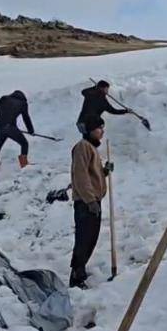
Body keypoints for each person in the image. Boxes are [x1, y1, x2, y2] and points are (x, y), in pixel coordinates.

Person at [69, 115, 113, 288]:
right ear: (89, 131)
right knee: (84, 239)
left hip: (93, 201)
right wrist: (89, 200)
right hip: (86, 203)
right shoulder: (82, 147)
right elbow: (80, 175)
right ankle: (76, 276)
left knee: (91, 238)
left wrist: (104, 171)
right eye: (99, 128)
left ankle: (81, 270)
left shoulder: (91, 148)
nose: (102, 132)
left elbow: (92, 174)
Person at [0, 90, 35, 176]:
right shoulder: (22, 103)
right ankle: (24, 165)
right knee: (24, 143)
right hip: (9, 127)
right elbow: (26, 118)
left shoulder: (4, 98)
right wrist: (31, 130)